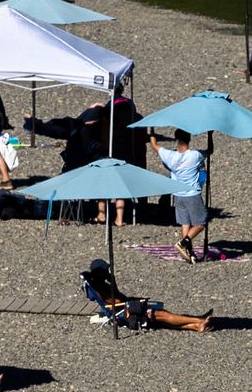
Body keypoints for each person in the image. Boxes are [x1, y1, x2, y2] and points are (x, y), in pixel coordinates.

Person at [81, 260, 216, 331]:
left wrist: (113, 281)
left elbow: (116, 298)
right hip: (124, 311)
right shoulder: (100, 287)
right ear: (101, 272)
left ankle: (196, 325)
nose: (108, 273)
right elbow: (115, 302)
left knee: (162, 317)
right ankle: (199, 320)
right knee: (163, 315)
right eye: (106, 271)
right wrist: (135, 302)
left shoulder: (98, 285)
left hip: (122, 308)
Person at [151, 130, 208, 261]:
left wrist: (152, 131)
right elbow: (209, 150)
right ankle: (184, 243)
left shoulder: (169, 155)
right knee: (201, 222)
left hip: (178, 194)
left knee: (185, 223)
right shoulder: (195, 155)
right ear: (189, 139)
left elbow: (154, 146)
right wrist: (210, 137)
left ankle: (189, 252)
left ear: (176, 139)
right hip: (192, 193)